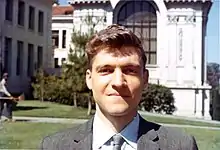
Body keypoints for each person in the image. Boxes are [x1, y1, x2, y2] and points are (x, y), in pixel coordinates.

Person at [41, 24, 198, 150]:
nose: (118, 82)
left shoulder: (181, 146)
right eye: (106, 70)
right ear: (89, 79)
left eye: (130, 70)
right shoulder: (54, 146)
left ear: (145, 79)